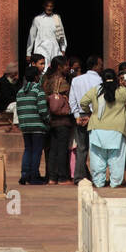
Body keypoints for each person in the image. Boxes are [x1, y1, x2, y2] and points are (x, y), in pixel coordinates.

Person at [79, 68, 126, 188]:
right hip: (116, 129)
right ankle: (115, 183)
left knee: (97, 158)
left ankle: (98, 182)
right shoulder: (122, 91)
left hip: (97, 128)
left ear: (102, 78)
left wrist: (89, 113)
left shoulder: (95, 90)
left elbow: (83, 102)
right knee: (116, 158)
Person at [69, 54, 102, 183]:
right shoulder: (99, 81)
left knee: (81, 148)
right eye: (100, 65)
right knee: (95, 149)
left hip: (81, 116)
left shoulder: (76, 80)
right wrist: (92, 116)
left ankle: (78, 177)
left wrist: (77, 116)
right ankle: (96, 178)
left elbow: (72, 100)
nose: (102, 67)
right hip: (94, 116)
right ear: (95, 65)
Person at [15, 65, 49, 185]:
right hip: (37, 125)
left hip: (25, 125)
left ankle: (25, 174)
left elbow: (18, 110)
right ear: (36, 77)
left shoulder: (20, 92)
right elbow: (42, 110)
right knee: (36, 151)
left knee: (28, 150)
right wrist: (47, 120)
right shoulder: (38, 90)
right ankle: (34, 176)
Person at [43, 56, 74, 184]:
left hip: (50, 119)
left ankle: (51, 177)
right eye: (66, 65)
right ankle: (62, 177)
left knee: (52, 149)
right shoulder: (61, 81)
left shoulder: (46, 80)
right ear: (59, 67)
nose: (68, 68)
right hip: (62, 119)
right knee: (62, 149)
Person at [26, 0, 66, 67]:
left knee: (55, 69)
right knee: (42, 69)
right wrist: (28, 53)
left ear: (53, 7)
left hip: (54, 49)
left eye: (51, 6)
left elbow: (61, 34)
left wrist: (63, 48)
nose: (49, 8)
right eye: (47, 6)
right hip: (41, 48)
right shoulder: (38, 19)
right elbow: (31, 36)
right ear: (44, 6)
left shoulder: (57, 18)